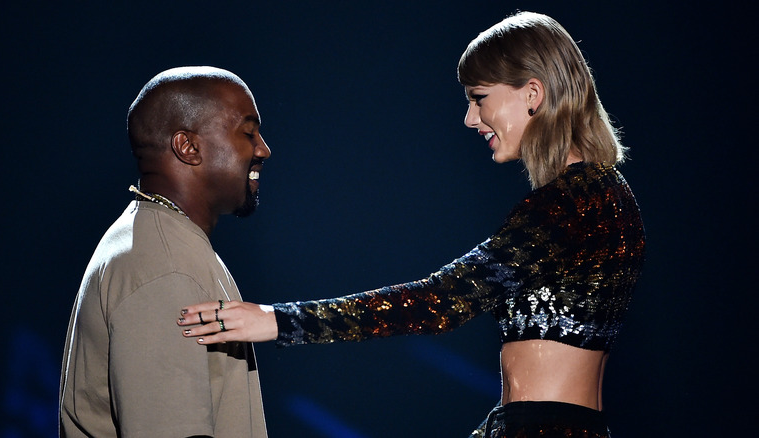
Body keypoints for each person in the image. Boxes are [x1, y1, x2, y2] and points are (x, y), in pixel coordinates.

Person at [178, 12, 644, 438]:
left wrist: (276, 320)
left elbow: (439, 301)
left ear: (533, 94)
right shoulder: (604, 196)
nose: (470, 119)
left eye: (480, 99)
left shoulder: (569, 204)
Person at [59, 66, 271, 438]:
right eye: (248, 132)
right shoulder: (165, 267)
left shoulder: (157, 241)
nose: (263, 149)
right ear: (188, 147)